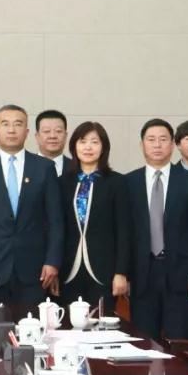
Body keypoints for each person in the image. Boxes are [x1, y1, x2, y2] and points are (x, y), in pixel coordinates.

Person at [0, 104, 63, 303]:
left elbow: (55, 220)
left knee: (32, 321)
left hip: (35, 270)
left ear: (26, 132)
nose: (11, 130)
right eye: (5, 124)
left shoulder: (44, 168)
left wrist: (52, 261)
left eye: (18, 124)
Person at [125, 119, 188, 340]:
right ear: (142, 144)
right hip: (142, 275)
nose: (157, 145)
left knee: (179, 340)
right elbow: (125, 234)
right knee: (144, 341)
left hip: (181, 275)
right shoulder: (128, 182)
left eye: (163, 139)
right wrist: (123, 273)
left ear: (172, 144)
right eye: (151, 139)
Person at [60, 122, 131, 311]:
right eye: (83, 141)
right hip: (68, 270)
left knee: (101, 321)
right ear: (74, 146)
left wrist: (121, 272)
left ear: (104, 147)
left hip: (104, 270)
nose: (88, 147)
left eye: (94, 142)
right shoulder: (62, 182)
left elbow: (124, 231)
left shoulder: (117, 182)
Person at [34, 110, 70, 176]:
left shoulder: (77, 168)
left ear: (65, 136)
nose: (52, 136)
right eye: (46, 131)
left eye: (58, 131)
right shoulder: (24, 166)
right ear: (37, 136)